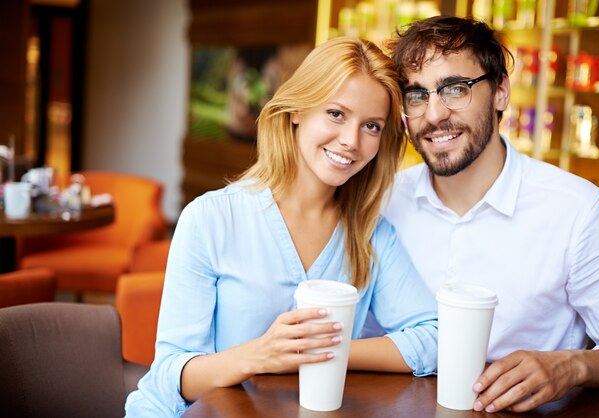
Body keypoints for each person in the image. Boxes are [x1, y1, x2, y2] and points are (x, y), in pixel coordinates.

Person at [125, 36, 438, 417]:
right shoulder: (210, 219)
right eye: (336, 114)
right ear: (297, 111)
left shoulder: (370, 234)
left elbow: (435, 338)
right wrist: (260, 355)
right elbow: (172, 377)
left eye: (371, 126)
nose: (351, 141)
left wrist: (324, 350)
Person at [383, 15, 599, 413]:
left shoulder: (580, 212)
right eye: (417, 95)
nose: (434, 114)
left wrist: (572, 365)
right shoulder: (383, 203)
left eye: (454, 89)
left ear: (500, 92)